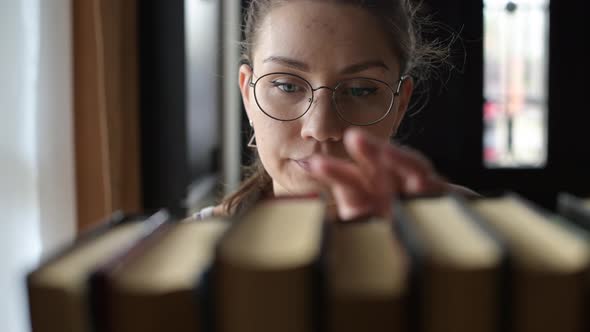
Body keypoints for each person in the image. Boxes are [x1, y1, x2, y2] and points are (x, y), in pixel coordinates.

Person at [195, 0, 476, 222]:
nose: (320, 128)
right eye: (287, 86)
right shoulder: (190, 254)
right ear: (248, 95)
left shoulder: (472, 232)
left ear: (399, 104)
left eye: (359, 90)